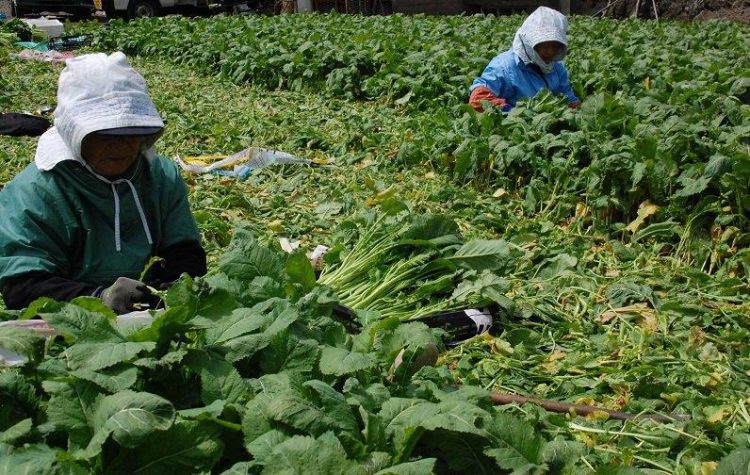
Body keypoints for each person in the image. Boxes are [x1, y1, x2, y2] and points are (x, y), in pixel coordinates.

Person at [0, 52, 206, 314]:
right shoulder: (34, 193)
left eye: (131, 132)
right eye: (105, 134)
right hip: (67, 321)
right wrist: (99, 298)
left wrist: (167, 288)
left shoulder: (160, 176)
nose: (120, 145)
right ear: (73, 131)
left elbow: (186, 252)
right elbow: (22, 286)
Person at [469, 6, 581, 113]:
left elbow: (568, 97)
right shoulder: (504, 67)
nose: (551, 52)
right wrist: (515, 114)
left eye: (555, 46)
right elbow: (478, 101)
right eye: (545, 46)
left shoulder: (556, 68)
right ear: (530, 43)